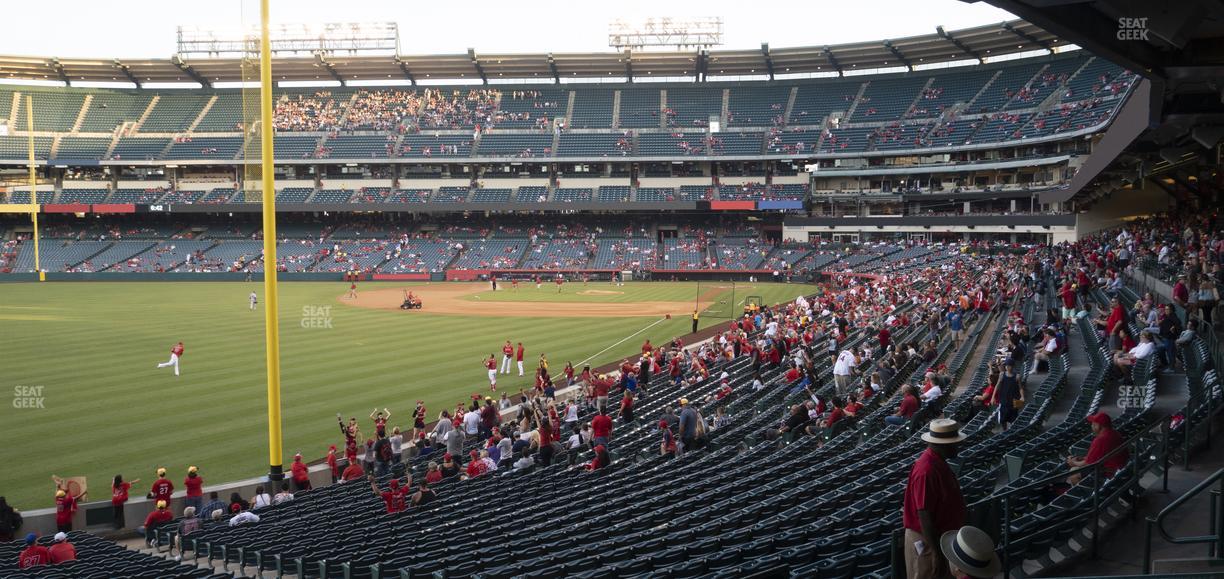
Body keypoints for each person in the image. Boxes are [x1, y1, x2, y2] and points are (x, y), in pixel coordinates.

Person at [903, 419, 967, 579]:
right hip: (927, 542)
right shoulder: (926, 470)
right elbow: (924, 517)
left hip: (941, 539)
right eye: (954, 443)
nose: (957, 447)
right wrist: (937, 554)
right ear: (943, 445)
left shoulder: (938, 462)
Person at [1066, 412, 1128, 484]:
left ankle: (1087, 494)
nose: (1092, 426)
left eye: (1093, 424)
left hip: (1109, 472)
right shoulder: (1114, 433)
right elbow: (1095, 457)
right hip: (1121, 468)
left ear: (1098, 426)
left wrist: (1073, 462)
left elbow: (1088, 463)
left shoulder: (1101, 439)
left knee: (1073, 472)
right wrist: (1081, 458)